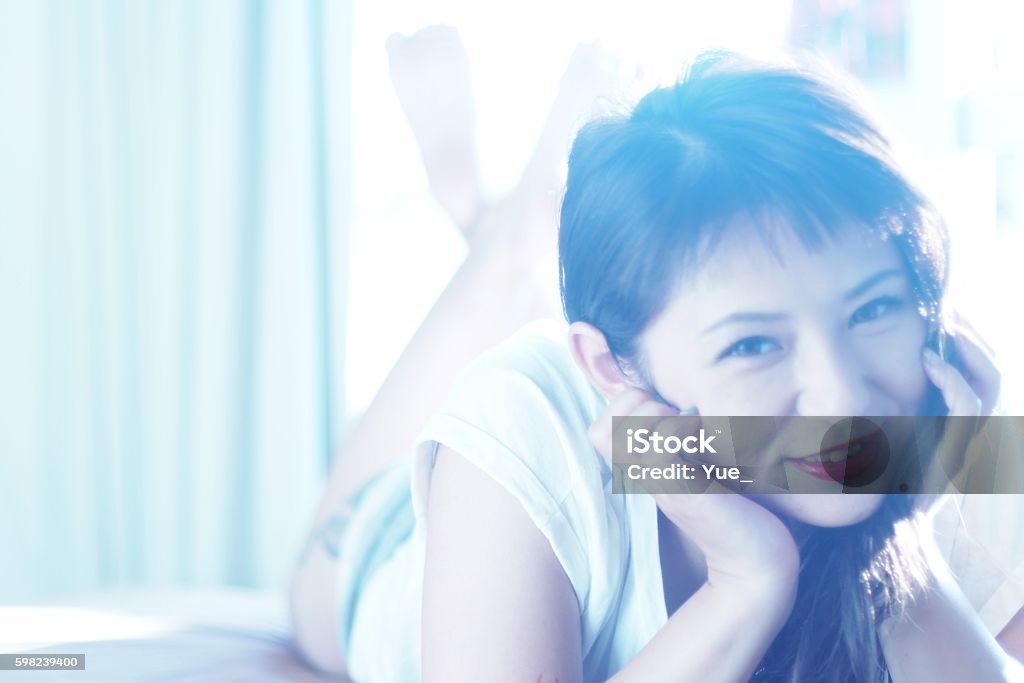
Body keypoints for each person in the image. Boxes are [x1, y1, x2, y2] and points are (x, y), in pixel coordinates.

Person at [291, 38, 1024, 683]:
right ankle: (506, 232)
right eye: (754, 344)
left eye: (872, 309)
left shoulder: (950, 427)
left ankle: (522, 234)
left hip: (636, 391)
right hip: (381, 539)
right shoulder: (523, 416)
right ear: (614, 372)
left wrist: (896, 532)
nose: (844, 395)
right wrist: (745, 584)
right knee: (317, 585)